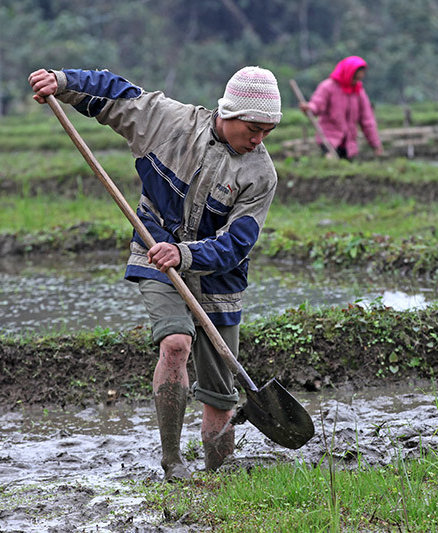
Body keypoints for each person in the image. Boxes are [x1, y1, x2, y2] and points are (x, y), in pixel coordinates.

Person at [29, 65, 282, 480]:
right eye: (253, 129)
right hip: (155, 246)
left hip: (218, 276)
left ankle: (220, 477)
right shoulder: (168, 122)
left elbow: (238, 243)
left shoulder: (260, 174)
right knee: (177, 343)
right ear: (229, 112)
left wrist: (184, 254)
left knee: (221, 395)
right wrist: (62, 82)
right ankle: (173, 462)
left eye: (266, 132)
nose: (258, 140)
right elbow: (114, 93)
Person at [298, 55, 384, 160]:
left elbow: (367, 120)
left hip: (349, 144)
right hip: (329, 140)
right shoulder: (328, 87)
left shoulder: (358, 91)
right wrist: (309, 108)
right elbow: (317, 104)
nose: (358, 79)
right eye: (356, 76)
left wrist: (375, 144)